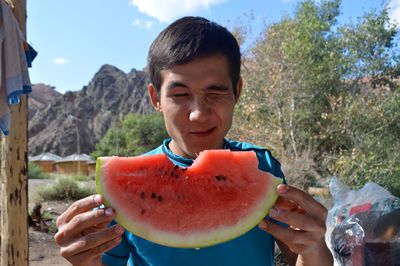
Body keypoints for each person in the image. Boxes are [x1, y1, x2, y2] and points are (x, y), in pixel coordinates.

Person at [54, 16, 333, 266]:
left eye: (216, 92)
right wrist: (85, 262)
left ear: (237, 92)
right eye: (180, 94)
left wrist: (314, 248)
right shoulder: (126, 187)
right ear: (155, 99)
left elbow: (302, 258)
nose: (199, 114)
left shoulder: (262, 166)